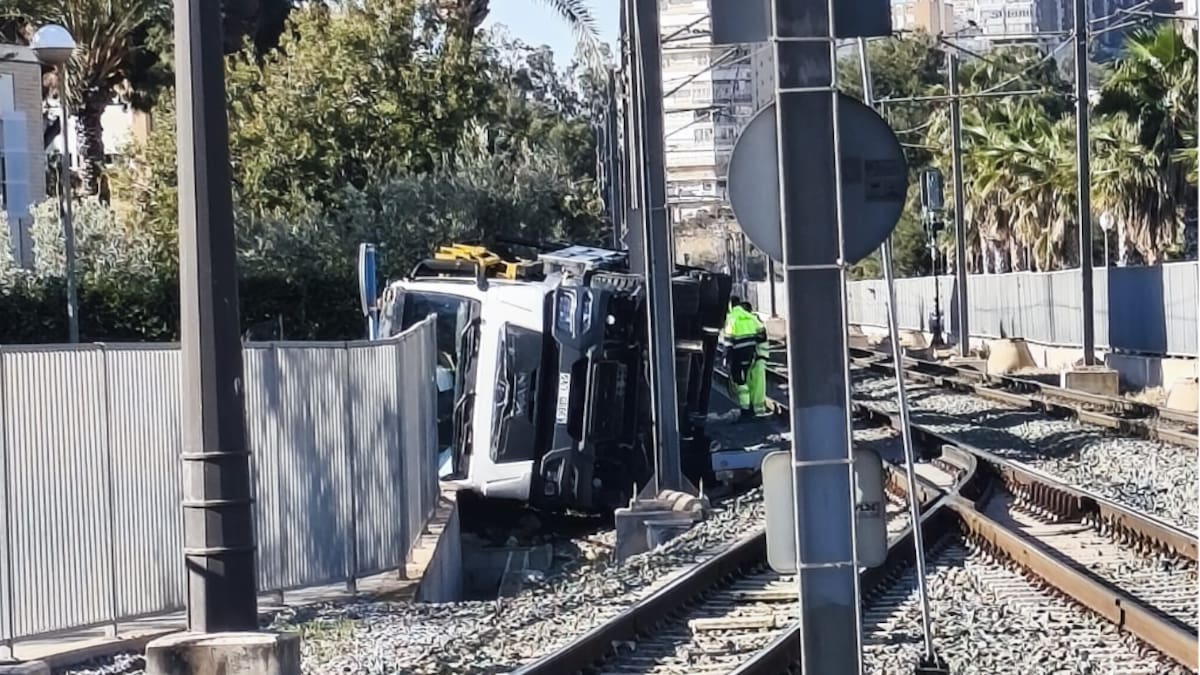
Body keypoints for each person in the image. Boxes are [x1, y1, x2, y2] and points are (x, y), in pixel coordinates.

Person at [722, 297, 759, 421]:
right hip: (750, 351)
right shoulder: (748, 315)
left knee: (739, 380)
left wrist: (725, 357)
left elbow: (728, 341)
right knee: (748, 378)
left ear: (730, 305)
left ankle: (745, 410)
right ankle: (753, 407)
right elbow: (760, 331)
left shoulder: (731, 317)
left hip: (737, 352)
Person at [741, 301, 769, 417]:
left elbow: (760, 338)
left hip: (758, 358)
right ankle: (753, 409)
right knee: (752, 385)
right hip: (755, 358)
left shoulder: (755, 322)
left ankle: (758, 410)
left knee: (757, 387)